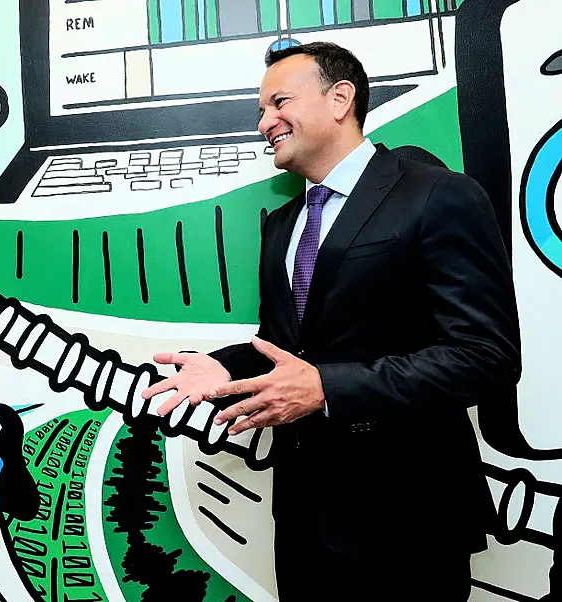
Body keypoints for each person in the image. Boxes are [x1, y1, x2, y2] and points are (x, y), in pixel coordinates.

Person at [142, 42, 520, 601]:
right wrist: (224, 369)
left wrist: (327, 389)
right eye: (261, 111)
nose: (264, 122)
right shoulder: (284, 225)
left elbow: (487, 357)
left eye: (278, 103)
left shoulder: (439, 195)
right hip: (303, 527)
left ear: (340, 98)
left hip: (409, 525)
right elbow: (288, 347)